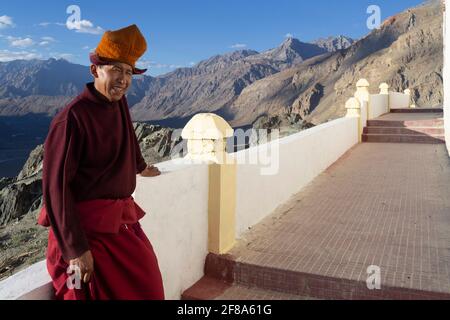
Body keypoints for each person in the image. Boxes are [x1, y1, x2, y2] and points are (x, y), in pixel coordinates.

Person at [38, 24, 165, 300]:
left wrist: (141, 166)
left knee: (149, 285)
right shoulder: (71, 119)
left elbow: (128, 138)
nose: (123, 79)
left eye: (129, 72)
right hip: (86, 233)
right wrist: (75, 250)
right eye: (116, 69)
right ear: (95, 70)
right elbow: (56, 189)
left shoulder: (118, 103)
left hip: (119, 224)